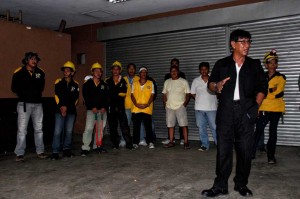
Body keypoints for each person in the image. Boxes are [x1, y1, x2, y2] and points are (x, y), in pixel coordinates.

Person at [201, 29, 267, 197]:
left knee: (245, 151)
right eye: (243, 42)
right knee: (223, 150)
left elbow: (262, 88)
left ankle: (241, 184)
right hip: (226, 113)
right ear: (233, 44)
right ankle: (220, 185)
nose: (247, 45)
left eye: (248, 42)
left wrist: (255, 108)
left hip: (246, 112)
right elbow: (210, 84)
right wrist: (216, 86)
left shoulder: (254, 65)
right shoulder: (221, 64)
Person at [11, 52, 47, 162]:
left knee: (39, 129)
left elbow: (41, 87)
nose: (34, 61)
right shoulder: (19, 72)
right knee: (22, 130)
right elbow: (14, 88)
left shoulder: (40, 73)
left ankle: (40, 151)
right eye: (32, 59)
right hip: (24, 104)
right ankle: (19, 153)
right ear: (26, 60)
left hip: (38, 104)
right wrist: (25, 94)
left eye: (36, 59)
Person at [253, 49, 286, 164]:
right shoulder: (261, 77)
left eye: (275, 62)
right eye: (270, 62)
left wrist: (264, 92)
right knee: (258, 131)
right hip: (262, 108)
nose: (273, 64)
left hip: (276, 109)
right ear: (266, 64)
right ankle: (251, 153)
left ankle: (271, 156)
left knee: (273, 133)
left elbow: (278, 93)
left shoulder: (281, 77)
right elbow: (258, 91)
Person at [51, 61, 79, 160]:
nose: (66, 72)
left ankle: (67, 149)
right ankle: (55, 152)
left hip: (71, 111)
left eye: (68, 70)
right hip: (59, 110)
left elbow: (75, 99)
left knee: (69, 131)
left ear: (72, 72)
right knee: (58, 131)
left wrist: (67, 107)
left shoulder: (75, 84)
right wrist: (62, 107)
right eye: (65, 70)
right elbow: (57, 95)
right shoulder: (58, 82)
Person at [81, 63, 108, 156]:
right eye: (96, 71)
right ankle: (85, 148)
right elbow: (86, 97)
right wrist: (92, 107)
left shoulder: (104, 84)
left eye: (100, 71)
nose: (98, 73)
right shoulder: (87, 84)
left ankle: (97, 146)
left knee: (100, 129)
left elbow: (107, 98)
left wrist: (104, 107)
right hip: (91, 110)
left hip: (102, 111)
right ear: (92, 72)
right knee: (88, 128)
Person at [106, 61, 133, 150]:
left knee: (124, 126)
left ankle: (129, 144)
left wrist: (113, 94)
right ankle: (115, 144)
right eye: (114, 69)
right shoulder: (107, 81)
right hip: (111, 108)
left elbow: (123, 93)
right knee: (112, 127)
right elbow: (107, 94)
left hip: (121, 108)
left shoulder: (123, 81)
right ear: (111, 70)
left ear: (120, 71)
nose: (115, 71)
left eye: (117, 69)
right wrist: (116, 94)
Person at [191, 62, 218, 151]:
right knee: (201, 127)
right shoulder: (196, 81)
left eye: (205, 69)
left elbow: (219, 92)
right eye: (202, 69)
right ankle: (205, 145)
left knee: (214, 127)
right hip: (199, 109)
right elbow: (193, 93)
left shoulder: (214, 79)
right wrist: (200, 100)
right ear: (199, 70)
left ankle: (219, 144)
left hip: (212, 108)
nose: (204, 71)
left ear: (208, 69)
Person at [162, 65, 191, 149]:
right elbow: (164, 94)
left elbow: (188, 94)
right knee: (170, 125)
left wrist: (184, 104)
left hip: (180, 106)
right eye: (172, 71)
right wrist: (165, 105)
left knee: (183, 124)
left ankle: (186, 142)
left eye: (175, 71)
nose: (173, 73)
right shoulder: (167, 82)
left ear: (178, 72)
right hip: (169, 107)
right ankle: (171, 141)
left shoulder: (184, 81)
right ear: (170, 73)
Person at [131, 66, 155, 149]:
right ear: (139, 74)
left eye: (145, 72)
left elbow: (152, 95)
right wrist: (136, 104)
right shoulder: (134, 83)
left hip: (147, 108)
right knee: (136, 127)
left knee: (148, 126)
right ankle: (135, 142)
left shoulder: (150, 83)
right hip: (136, 108)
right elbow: (132, 95)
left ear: (146, 74)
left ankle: (150, 142)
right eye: (142, 72)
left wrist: (147, 104)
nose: (143, 74)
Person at [122, 63, 142, 147]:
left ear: (135, 70)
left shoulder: (139, 79)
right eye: (130, 68)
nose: (131, 70)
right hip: (126, 105)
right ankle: (123, 140)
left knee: (138, 124)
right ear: (127, 70)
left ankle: (141, 139)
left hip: (136, 106)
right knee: (126, 124)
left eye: (133, 68)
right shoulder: (123, 79)